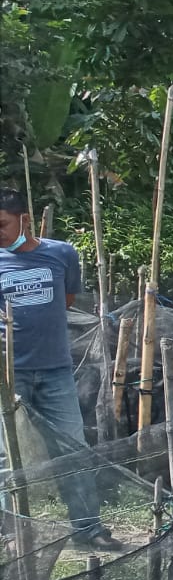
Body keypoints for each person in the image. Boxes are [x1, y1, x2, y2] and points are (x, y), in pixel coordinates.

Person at [0, 189, 121, 551]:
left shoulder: (61, 253)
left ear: (24, 220)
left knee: (72, 449)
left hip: (55, 371)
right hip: (8, 374)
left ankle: (88, 528)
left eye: (2, 224)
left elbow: (65, 301)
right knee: (6, 457)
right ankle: (10, 534)